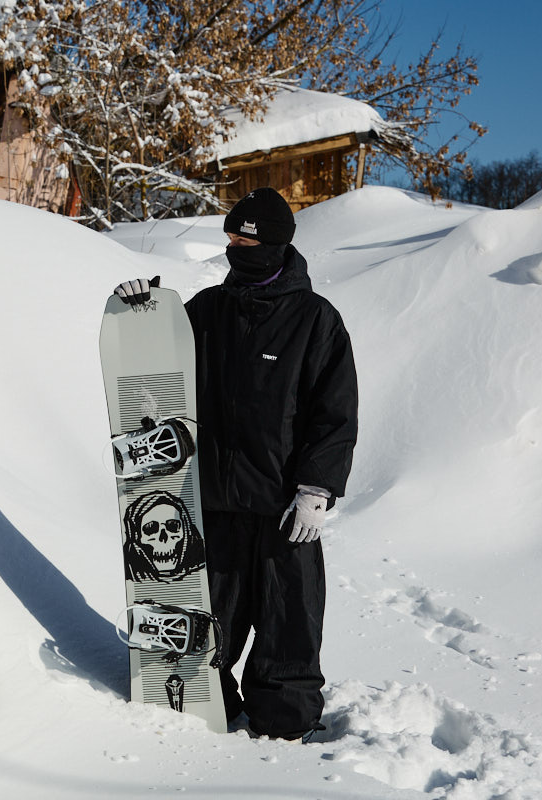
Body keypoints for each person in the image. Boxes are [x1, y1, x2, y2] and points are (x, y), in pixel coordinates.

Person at [114, 187, 358, 741]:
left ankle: (286, 717)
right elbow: (157, 368)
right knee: (210, 621)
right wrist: (141, 314)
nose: (236, 248)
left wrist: (317, 487)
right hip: (214, 504)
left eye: (246, 239)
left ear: (274, 245)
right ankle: (203, 706)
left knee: (287, 620)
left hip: (283, 507)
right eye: (230, 238)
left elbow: (334, 413)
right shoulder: (206, 311)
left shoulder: (316, 321)